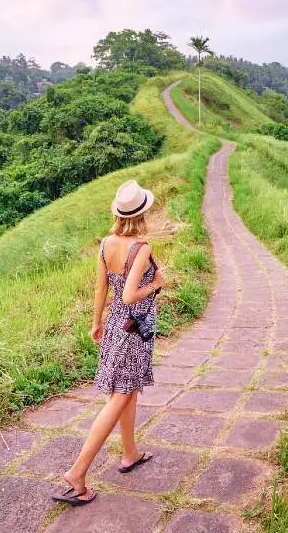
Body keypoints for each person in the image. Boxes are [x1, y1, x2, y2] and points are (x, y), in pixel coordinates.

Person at [52, 180, 166, 506]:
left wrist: (96, 323)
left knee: (127, 391)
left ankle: (130, 453)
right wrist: (155, 284)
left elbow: (101, 289)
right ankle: (77, 472)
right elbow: (131, 295)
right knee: (120, 396)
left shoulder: (105, 244)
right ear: (142, 213)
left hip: (116, 324)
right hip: (135, 328)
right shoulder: (141, 249)